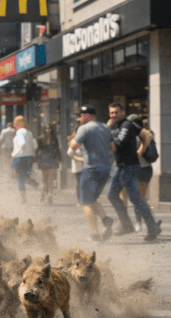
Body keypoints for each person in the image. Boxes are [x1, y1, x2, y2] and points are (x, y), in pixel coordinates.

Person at [105, 103, 161, 241]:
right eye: (111, 113)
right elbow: (147, 135)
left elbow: (114, 146)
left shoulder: (125, 126)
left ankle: (150, 227)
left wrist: (140, 151)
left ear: (123, 112)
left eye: (116, 112)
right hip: (121, 167)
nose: (114, 115)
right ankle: (128, 224)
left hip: (128, 168)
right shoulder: (126, 125)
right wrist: (140, 150)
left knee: (135, 198)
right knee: (112, 194)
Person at [69, 105, 115, 242]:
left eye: (81, 116)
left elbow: (73, 146)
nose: (79, 118)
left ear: (87, 115)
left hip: (91, 169)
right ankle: (106, 220)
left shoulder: (85, 128)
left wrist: (72, 141)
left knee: (85, 202)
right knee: (93, 199)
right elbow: (113, 147)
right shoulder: (106, 127)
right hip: (105, 169)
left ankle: (95, 235)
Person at [11, 116, 39, 203]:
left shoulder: (19, 132)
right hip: (29, 157)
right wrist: (30, 152)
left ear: (18, 123)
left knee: (20, 178)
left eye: (15, 123)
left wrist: (16, 154)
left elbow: (22, 144)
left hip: (20, 157)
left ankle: (23, 198)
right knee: (27, 177)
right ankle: (39, 186)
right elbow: (35, 145)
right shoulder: (29, 132)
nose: (14, 125)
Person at [36, 124, 61, 204]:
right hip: (44, 159)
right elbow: (38, 149)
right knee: (45, 180)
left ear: (51, 129)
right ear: (44, 130)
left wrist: (60, 158)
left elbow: (57, 149)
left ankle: (49, 194)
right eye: (46, 128)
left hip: (53, 159)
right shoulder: (40, 138)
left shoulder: (54, 139)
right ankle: (44, 193)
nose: (48, 130)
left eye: (49, 128)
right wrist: (36, 159)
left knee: (51, 179)